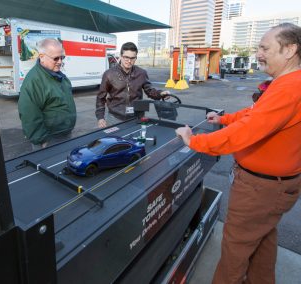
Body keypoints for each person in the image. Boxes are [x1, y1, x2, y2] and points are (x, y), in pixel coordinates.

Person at [175, 23, 301, 284]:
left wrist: (196, 141)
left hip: (260, 189)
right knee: (263, 239)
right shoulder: (287, 83)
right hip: (274, 187)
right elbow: (256, 115)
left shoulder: (290, 86)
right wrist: (224, 120)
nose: (258, 54)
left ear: (290, 50)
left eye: (265, 48)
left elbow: (250, 129)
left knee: (235, 248)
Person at [95, 42, 171, 128]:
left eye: (132, 58)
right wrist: (100, 117)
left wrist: (161, 94)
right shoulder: (109, 74)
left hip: (137, 118)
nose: (129, 61)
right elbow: (101, 98)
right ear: (120, 56)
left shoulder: (141, 73)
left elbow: (150, 91)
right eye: (126, 57)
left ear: (136, 58)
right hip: (115, 118)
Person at [18, 38, 76, 148]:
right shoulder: (34, 81)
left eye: (62, 57)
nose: (60, 61)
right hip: (49, 141)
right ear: (42, 57)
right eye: (55, 58)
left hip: (64, 135)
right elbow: (29, 115)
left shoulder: (59, 76)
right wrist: (42, 140)